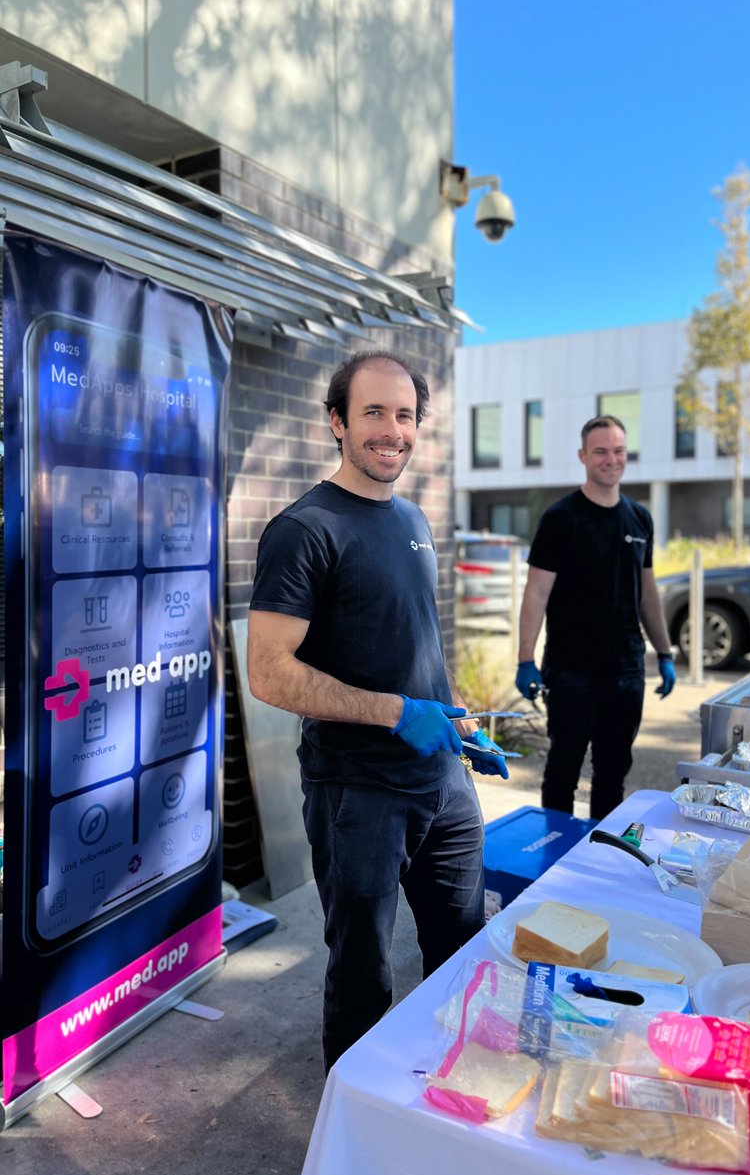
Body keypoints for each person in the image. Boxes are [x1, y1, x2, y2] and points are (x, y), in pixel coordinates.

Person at [247, 349, 508, 1071]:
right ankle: (352, 1137)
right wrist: (397, 712)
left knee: (463, 950)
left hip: (441, 777)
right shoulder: (305, 529)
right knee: (363, 977)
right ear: (337, 422)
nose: (392, 431)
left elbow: (419, 634)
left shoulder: (413, 518)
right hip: (357, 790)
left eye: (405, 415)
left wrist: (458, 718)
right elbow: (268, 673)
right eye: (373, 413)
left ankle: (451, 1097)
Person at [514, 414, 676, 822]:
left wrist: (665, 651)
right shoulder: (562, 518)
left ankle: (597, 861)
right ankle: (554, 859)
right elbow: (536, 592)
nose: (610, 459)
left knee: (612, 775)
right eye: (601, 451)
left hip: (626, 671)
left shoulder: (640, 519)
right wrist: (524, 658)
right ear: (584, 456)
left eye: (618, 451)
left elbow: (648, 592)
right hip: (571, 673)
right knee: (562, 772)